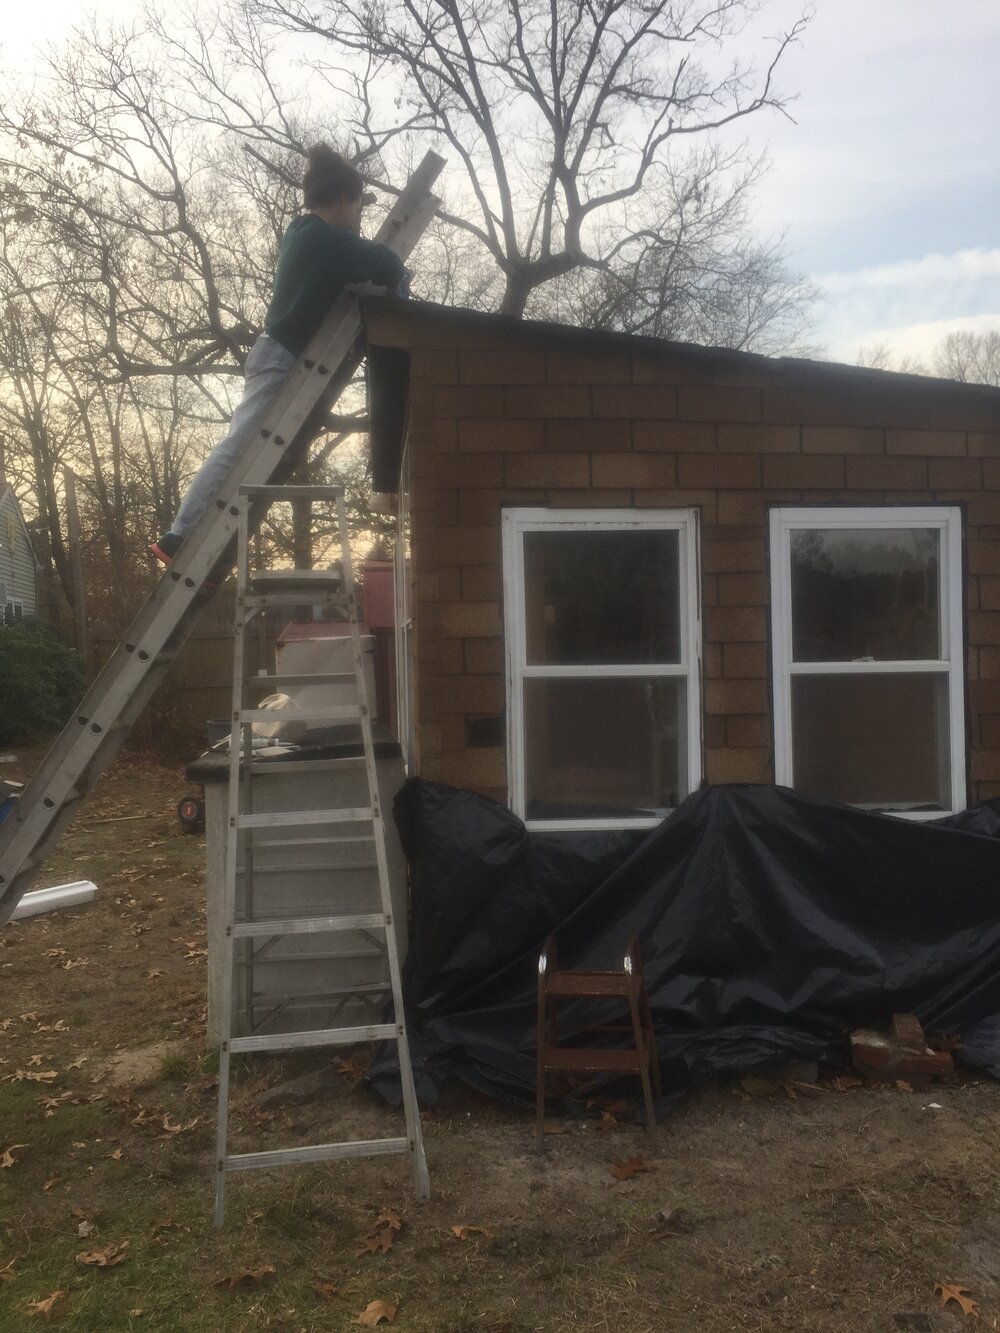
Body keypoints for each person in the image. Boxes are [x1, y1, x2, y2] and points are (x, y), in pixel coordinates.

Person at [150, 144, 405, 564]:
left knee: (244, 446)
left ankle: (199, 543)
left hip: (276, 354)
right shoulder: (324, 238)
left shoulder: (303, 232)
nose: (357, 217)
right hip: (279, 357)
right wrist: (398, 282)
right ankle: (179, 535)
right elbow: (384, 262)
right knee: (238, 446)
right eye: (357, 205)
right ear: (344, 198)